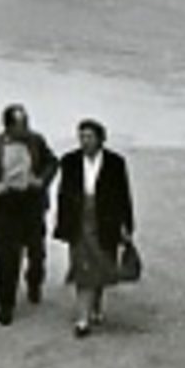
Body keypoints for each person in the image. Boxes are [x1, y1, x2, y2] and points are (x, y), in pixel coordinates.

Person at [0, 104, 58, 325]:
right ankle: (6, 304)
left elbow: (52, 162)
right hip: (5, 204)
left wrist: (42, 180)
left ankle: (34, 281)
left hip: (31, 202)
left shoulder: (36, 141)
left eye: (26, 123)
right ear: (8, 126)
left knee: (37, 252)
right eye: (21, 124)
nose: (25, 128)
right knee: (6, 258)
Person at [53, 119, 136, 338]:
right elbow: (63, 195)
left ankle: (95, 304)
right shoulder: (70, 161)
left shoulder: (115, 163)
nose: (85, 141)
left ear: (100, 139)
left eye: (89, 137)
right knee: (82, 267)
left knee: (100, 264)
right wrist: (62, 224)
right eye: (81, 137)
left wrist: (126, 225)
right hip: (79, 220)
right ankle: (82, 319)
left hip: (105, 221)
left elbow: (123, 196)